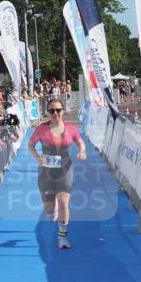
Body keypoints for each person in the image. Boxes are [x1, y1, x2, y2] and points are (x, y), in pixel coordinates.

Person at [27, 97, 87, 249]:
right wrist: (38, 158)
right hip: (46, 172)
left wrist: (82, 151)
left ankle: (62, 238)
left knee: (63, 203)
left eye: (58, 110)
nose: (55, 113)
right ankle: (52, 218)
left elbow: (80, 141)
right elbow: (31, 145)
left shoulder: (71, 128)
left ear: (63, 111)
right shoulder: (41, 129)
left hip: (65, 170)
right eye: (52, 110)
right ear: (47, 112)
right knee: (49, 209)